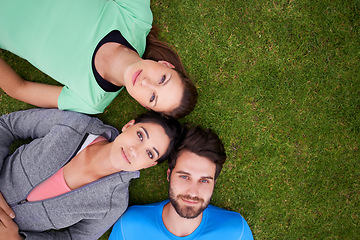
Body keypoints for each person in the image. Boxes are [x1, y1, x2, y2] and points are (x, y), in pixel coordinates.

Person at [0, 108, 181, 239]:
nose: (135, 150)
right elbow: (7, 126)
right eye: (140, 135)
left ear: (149, 165)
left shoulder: (113, 205)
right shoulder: (76, 126)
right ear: (128, 126)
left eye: (149, 153)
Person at [0, 0, 197, 119]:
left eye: (152, 97)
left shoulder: (91, 100)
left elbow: (19, 88)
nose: (146, 83)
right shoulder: (137, 18)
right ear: (165, 65)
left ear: (144, 105)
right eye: (162, 79)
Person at [109, 126, 254, 240]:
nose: (193, 192)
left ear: (214, 183)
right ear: (169, 175)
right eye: (184, 177)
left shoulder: (235, 232)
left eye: (204, 180)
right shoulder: (131, 227)